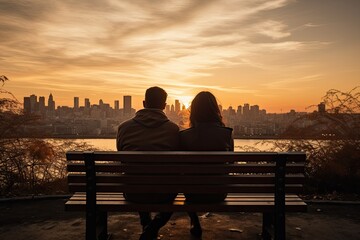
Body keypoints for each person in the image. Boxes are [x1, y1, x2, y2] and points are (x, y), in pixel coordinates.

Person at [117, 86, 179, 240]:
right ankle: (152, 227)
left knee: (138, 175)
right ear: (164, 106)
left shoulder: (124, 128)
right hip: (164, 194)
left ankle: (146, 222)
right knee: (169, 187)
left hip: (133, 192)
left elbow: (122, 159)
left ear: (144, 103)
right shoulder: (173, 129)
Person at [179, 91, 234, 238]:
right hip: (218, 192)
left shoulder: (184, 136)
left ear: (193, 111)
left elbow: (180, 168)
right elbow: (231, 163)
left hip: (192, 194)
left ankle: (194, 220)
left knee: (189, 182)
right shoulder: (226, 134)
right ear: (216, 110)